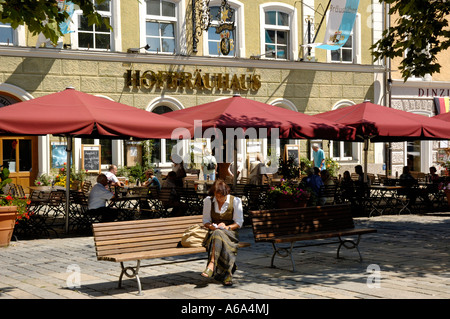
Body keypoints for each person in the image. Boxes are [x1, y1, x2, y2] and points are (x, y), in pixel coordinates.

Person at [201, 179, 244, 286]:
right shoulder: (208, 201)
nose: (219, 199)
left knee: (219, 235)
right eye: (217, 196)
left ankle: (211, 264)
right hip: (214, 232)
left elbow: (238, 223)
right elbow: (206, 221)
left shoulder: (235, 201)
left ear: (226, 193)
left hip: (231, 233)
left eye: (222, 197)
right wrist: (212, 226)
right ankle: (228, 273)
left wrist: (227, 227)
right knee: (217, 234)